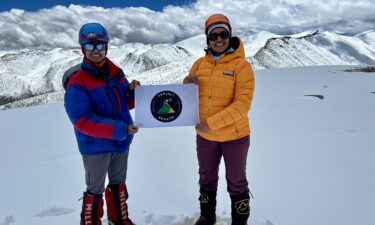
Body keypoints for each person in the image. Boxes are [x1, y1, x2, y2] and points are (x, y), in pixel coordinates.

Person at [63, 22, 140, 225]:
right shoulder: (77, 81)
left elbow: (125, 103)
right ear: (83, 49)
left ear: (106, 47)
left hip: (121, 141)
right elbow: (83, 120)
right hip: (95, 145)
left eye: (99, 45)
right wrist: (120, 129)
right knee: (95, 190)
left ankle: (119, 219)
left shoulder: (116, 73)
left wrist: (132, 93)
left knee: (118, 184)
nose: (95, 51)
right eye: (90, 46)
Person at [183, 14, 255, 225]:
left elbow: (241, 106)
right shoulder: (198, 65)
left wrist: (211, 123)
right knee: (206, 178)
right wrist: (187, 85)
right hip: (205, 136)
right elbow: (189, 98)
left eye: (223, 34)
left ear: (230, 35)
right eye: (213, 35)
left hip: (235, 135)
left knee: (236, 181)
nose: (219, 39)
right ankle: (207, 217)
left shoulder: (242, 66)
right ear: (207, 39)